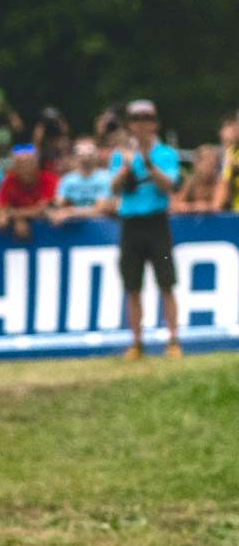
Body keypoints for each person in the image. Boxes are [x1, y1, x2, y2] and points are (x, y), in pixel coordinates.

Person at [108, 99, 181, 360]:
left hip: (156, 223)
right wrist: (128, 164)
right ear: (130, 125)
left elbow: (168, 185)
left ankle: (173, 339)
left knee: (166, 283)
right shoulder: (121, 155)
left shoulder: (166, 154)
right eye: (136, 120)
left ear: (155, 124)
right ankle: (136, 342)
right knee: (133, 286)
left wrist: (147, 161)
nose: (141, 125)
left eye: (146, 120)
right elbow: (114, 187)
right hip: (131, 225)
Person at [0, 146, 57, 239]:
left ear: (36, 164)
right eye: (20, 164)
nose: (25, 167)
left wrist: (15, 216)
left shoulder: (49, 179)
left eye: (29, 163)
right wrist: (17, 219)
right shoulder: (8, 180)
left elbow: (42, 209)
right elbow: (0, 208)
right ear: (14, 166)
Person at [51, 139, 112, 221]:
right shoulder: (67, 180)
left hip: (100, 229)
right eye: (81, 154)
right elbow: (58, 206)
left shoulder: (106, 177)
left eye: (89, 154)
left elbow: (101, 208)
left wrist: (71, 212)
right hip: (72, 229)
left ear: (96, 155)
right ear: (75, 156)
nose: (85, 157)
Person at [170, 144, 224, 213]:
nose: (209, 169)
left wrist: (205, 207)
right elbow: (174, 205)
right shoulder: (190, 182)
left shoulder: (220, 183)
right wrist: (194, 207)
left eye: (212, 165)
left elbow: (216, 207)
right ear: (196, 165)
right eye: (206, 164)